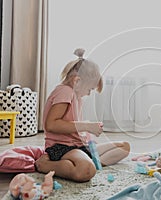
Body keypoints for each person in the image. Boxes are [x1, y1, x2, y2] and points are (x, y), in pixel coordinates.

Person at [35, 48, 130, 182]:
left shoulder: (75, 95)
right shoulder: (65, 92)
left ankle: (87, 162)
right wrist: (86, 126)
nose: (89, 93)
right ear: (77, 81)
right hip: (62, 148)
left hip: (78, 146)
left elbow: (70, 124)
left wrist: (85, 134)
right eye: (90, 89)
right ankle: (46, 165)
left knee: (124, 147)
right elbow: (51, 124)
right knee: (85, 171)